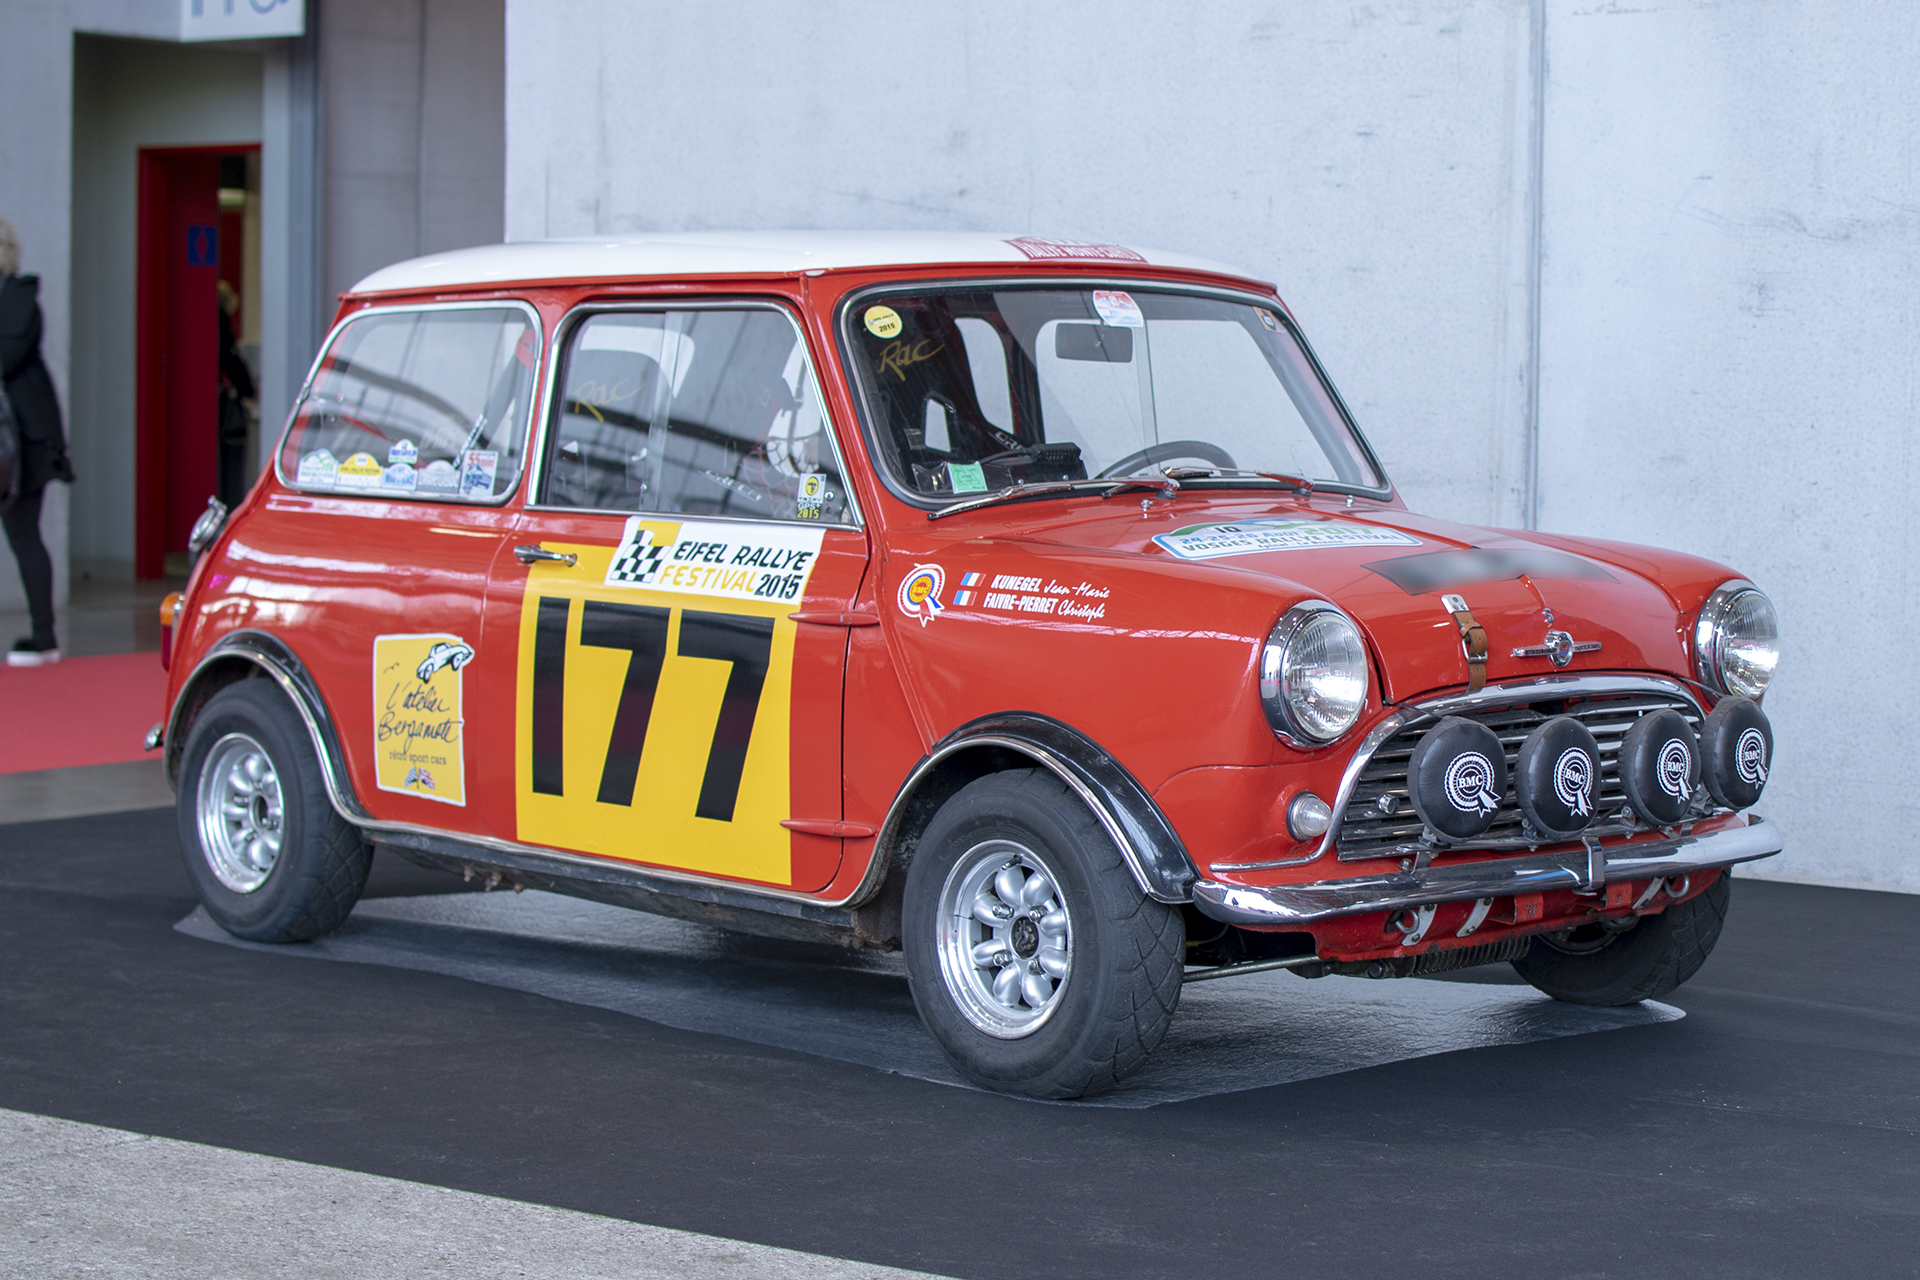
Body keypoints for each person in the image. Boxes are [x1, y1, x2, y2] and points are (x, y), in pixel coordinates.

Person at [0, 218, 76, 666]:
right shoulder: (20, 300)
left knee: (25, 535)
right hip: (27, 442)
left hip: (21, 446)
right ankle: (43, 634)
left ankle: (44, 636)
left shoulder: (18, 302)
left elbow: (6, 358)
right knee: (26, 535)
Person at [216, 279, 255, 508]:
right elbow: (232, 360)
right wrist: (248, 388)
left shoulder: (211, 320)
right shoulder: (220, 321)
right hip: (222, 403)